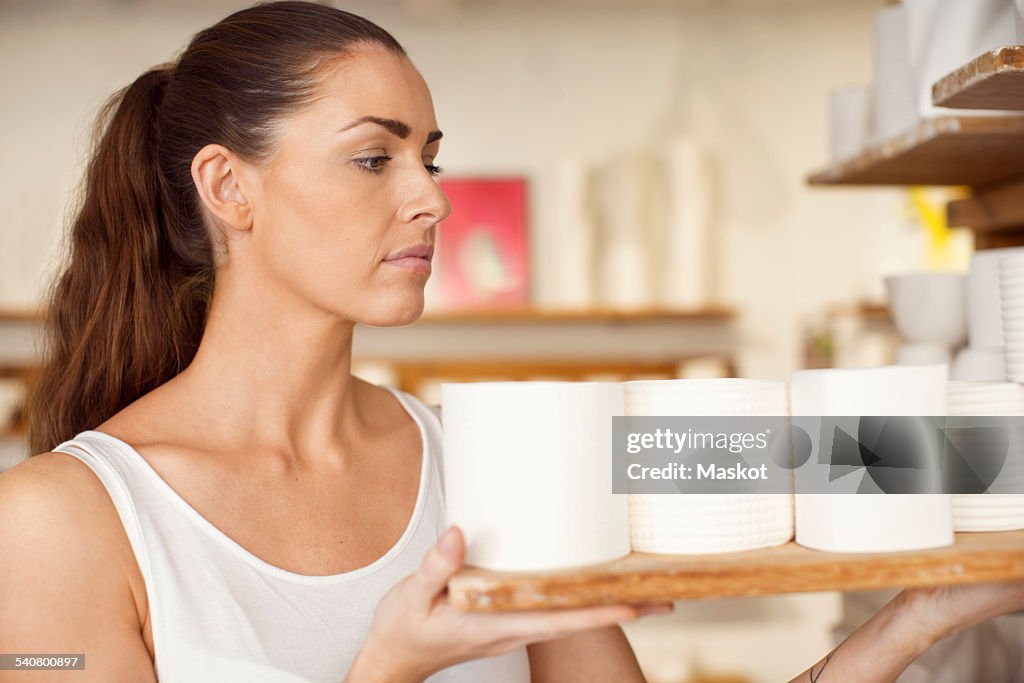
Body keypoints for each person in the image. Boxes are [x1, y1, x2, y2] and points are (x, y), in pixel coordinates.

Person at [0, 2, 1020, 681]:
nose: (433, 199)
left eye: (431, 159)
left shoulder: (482, 462)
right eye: (373, 158)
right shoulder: (58, 524)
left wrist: (917, 614)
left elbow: (830, 455)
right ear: (229, 187)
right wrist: (388, 666)